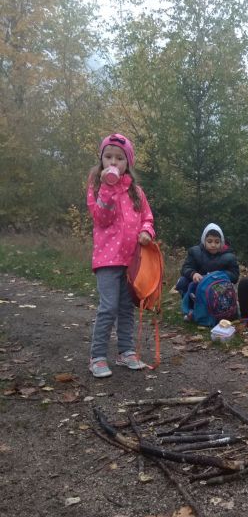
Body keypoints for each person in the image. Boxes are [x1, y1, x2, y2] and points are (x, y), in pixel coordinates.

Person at [87, 133, 155, 378]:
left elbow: (147, 217)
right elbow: (101, 218)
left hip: (132, 260)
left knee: (126, 307)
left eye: (119, 158)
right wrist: (107, 188)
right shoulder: (96, 187)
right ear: (101, 159)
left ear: (128, 162)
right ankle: (97, 356)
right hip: (107, 259)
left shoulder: (136, 191)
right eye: (108, 157)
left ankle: (126, 351)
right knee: (108, 307)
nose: (113, 162)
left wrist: (146, 231)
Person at [176, 223, 239, 306]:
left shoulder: (229, 257)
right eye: (209, 241)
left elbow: (235, 276)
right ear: (204, 241)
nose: (213, 245)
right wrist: (193, 274)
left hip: (218, 287)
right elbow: (185, 268)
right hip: (198, 284)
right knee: (182, 281)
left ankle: (221, 308)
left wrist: (218, 275)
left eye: (217, 242)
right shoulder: (195, 252)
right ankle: (191, 306)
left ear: (221, 243)